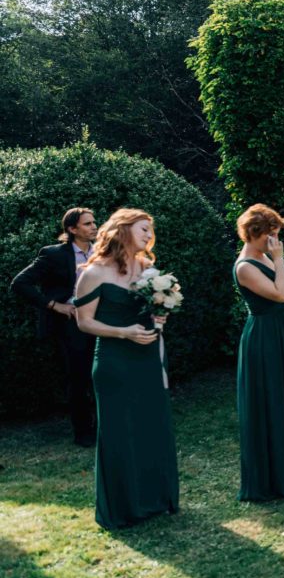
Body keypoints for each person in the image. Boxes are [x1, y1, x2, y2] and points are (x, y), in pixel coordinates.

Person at [73, 208, 179, 529]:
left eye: (151, 230)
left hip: (147, 359)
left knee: (152, 426)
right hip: (115, 361)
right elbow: (84, 322)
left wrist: (160, 318)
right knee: (120, 432)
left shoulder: (149, 270)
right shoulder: (94, 273)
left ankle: (155, 499)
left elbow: (157, 310)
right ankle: (124, 506)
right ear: (122, 230)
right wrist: (123, 332)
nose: (149, 234)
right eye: (142, 228)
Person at [233, 204, 284, 501]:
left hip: (280, 332)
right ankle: (272, 478)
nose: (276, 242)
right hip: (264, 339)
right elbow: (278, 292)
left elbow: (281, 296)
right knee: (269, 401)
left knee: (283, 397)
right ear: (256, 233)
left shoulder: (263, 257)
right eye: (272, 235)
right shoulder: (245, 266)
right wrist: (280, 259)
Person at [11, 208, 99, 447]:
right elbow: (20, 283)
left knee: (102, 375)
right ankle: (84, 433)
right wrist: (54, 305)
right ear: (72, 229)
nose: (94, 227)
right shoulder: (53, 254)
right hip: (70, 324)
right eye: (87, 224)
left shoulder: (101, 251)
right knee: (79, 379)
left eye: (94, 222)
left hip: (101, 321)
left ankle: (106, 426)